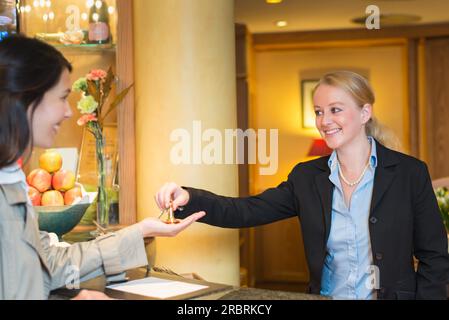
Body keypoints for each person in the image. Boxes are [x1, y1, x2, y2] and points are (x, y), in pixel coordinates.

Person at [156, 71, 449, 300]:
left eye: (335, 110)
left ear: (364, 113)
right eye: (319, 111)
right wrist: (188, 197)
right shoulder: (307, 178)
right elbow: (244, 210)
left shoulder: (409, 173)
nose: (324, 121)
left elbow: (434, 256)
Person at [0, 35, 205, 300]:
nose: (68, 112)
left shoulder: (11, 179)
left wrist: (141, 231)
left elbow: (48, 263)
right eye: (62, 98)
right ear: (25, 98)